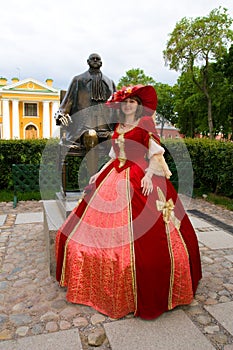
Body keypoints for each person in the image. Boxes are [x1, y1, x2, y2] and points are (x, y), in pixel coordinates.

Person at [55, 84, 202, 320]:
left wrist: (148, 175)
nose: (128, 105)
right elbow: (115, 155)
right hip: (115, 174)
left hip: (139, 176)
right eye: (125, 102)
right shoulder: (119, 126)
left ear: (138, 105)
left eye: (132, 102)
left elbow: (155, 154)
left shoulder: (145, 124)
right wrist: (100, 172)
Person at [55, 53, 116, 175]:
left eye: (97, 59)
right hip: (83, 128)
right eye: (92, 59)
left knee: (114, 137)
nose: (95, 60)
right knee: (91, 135)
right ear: (87, 62)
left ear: (101, 62)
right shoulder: (78, 80)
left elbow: (117, 106)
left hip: (105, 126)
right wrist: (60, 115)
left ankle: (110, 180)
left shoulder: (109, 82)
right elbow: (67, 102)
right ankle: (93, 181)